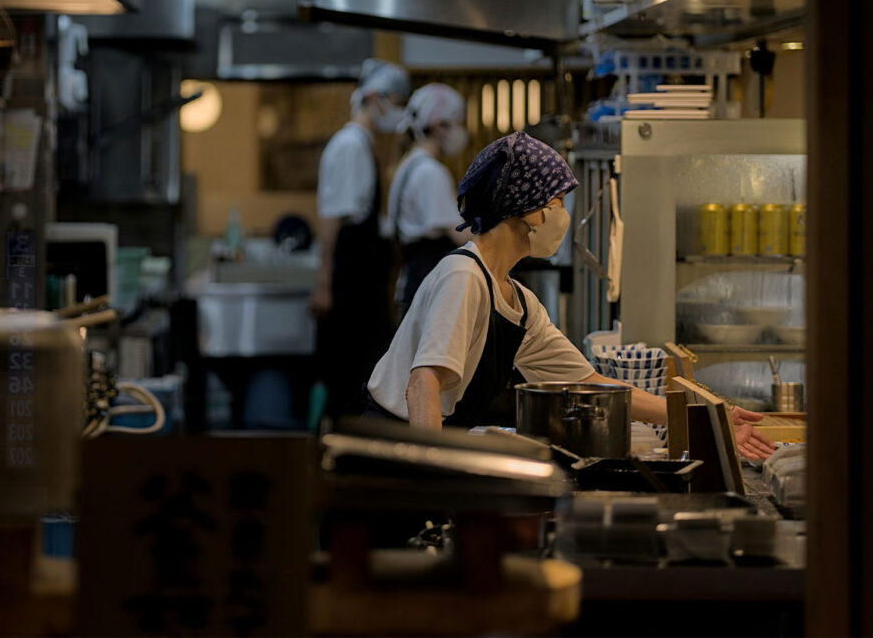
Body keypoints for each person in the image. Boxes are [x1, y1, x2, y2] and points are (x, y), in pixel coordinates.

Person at [365, 131, 776, 461]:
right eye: (558, 202)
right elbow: (423, 385)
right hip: (394, 457)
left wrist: (706, 416)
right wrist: (428, 482)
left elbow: (593, 383)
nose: (562, 216)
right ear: (528, 210)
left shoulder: (518, 303)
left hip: (426, 452)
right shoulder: (463, 276)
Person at [310, 58, 411, 419]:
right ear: (374, 97)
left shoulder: (365, 144)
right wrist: (324, 283)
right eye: (397, 101)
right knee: (350, 378)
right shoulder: (350, 145)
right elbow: (331, 217)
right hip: (350, 282)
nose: (399, 111)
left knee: (362, 375)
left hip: (363, 281)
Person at [389, 82, 472, 322]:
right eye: (459, 123)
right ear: (439, 125)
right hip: (425, 288)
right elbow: (460, 235)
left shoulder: (410, 163)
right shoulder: (429, 172)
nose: (462, 131)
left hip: (416, 284)